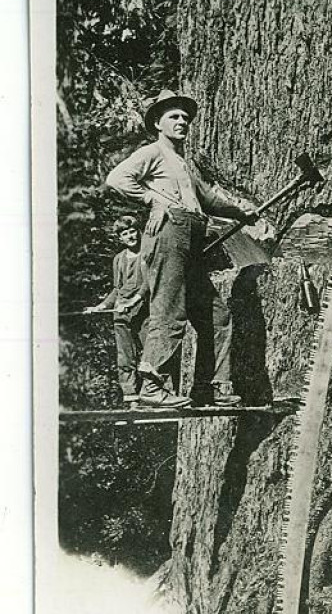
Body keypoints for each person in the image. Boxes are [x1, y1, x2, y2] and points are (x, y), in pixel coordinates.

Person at [106, 89, 258, 409]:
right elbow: (118, 177)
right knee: (169, 309)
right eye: (174, 116)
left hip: (192, 239)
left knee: (216, 315)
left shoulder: (183, 164)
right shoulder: (153, 152)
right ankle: (151, 385)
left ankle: (212, 386)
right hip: (168, 235)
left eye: (185, 117)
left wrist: (241, 212)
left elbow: (210, 199)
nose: (182, 121)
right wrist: (152, 199)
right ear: (158, 123)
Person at [84, 215, 149, 404]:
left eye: (132, 231)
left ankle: (152, 395)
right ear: (120, 238)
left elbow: (149, 283)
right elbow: (117, 289)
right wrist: (100, 307)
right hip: (121, 314)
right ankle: (131, 398)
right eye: (125, 234)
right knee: (125, 356)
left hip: (144, 312)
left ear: (139, 231)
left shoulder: (147, 253)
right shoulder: (119, 259)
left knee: (150, 355)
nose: (130, 236)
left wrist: (134, 301)